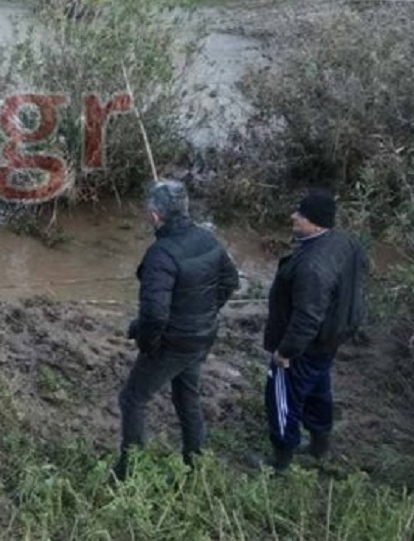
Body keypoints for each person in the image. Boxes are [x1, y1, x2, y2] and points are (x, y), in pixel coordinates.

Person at [114, 180, 240, 481]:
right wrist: (204, 314)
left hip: (174, 343)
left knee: (132, 398)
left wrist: (147, 343)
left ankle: (127, 471)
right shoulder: (207, 239)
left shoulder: (161, 255)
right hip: (202, 336)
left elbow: (155, 315)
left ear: (156, 216)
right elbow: (230, 282)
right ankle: (194, 465)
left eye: (149, 211)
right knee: (187, 396)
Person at [262, 189, 368, 471]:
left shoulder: (311, 266)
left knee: (282, 397)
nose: (293, 217)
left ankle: (281, 460)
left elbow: (307, 316)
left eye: (301, 214)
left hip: (304, 345)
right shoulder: (347, 243)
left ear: (317, 224)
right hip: (330, 338)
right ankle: (320, 444)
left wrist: (285, 351)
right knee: (318, 388)